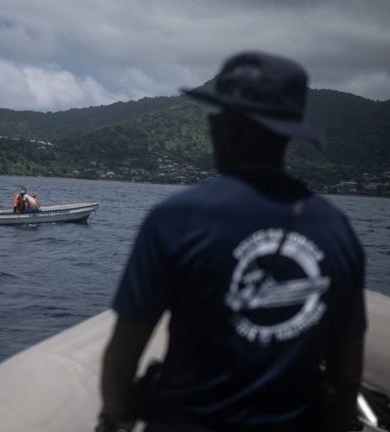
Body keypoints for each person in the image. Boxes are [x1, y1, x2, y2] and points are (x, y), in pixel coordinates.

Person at [98, 51, 366, 432]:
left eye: (218, 114)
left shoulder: (174, 219)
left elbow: (124, 353)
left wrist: (113, 419)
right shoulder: (337, 230)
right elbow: (349, 374)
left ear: (232, 126)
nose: (212, 123)